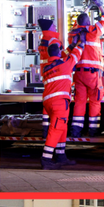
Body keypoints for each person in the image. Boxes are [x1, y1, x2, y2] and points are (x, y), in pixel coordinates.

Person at [68, 3, 104, 137]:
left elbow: (79, 21)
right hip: (93, 74)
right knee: (94, 100)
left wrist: (85, 9)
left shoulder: (73, 33)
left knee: (79, 101)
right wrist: (99, 5)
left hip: (79, 73)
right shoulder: (93, 31)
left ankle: (76, 130)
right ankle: (93, 130)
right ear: (88, 22)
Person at [38, 39, 82, 170]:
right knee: (56, 129)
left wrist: (72, 45)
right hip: (59, 102)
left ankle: (61, 155)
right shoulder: (64, 65)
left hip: (49, 102)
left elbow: (66, 56)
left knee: (61, 127)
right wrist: (81, 44)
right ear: (59, 53)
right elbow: (76, 56)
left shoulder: (46, 69)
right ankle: (46, 158)